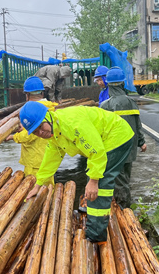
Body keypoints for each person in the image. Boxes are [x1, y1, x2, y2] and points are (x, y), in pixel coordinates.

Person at [21, 101, 134, 243]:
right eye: (35, 132)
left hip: (116, 136)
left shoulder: (72, 124)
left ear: (47, 116)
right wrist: (38, 184)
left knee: (100, 183)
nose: (41, 133)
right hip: (106, 139)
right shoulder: (55, 131)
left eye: (40, 127)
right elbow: (50, 160)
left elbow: (97, 152)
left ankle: (96, 235)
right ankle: (101, 217)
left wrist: (93, 180)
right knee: (97, 180)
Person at [100, 68, 147, 209]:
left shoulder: (105, 105)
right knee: (125, 177)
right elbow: (138, 125)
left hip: (115, 149)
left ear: (109, 84)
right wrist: (141, 142)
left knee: (119, 180)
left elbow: (101, 130)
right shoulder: (131, 102)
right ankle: (123, 204)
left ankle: (124, 208)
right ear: (122, 84)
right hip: (131, 147)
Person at [6, 76, 58, 185]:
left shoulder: (34, 110)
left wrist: (13, 137)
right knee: (48, 189)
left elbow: (30, 135)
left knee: (32, 191)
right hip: (48, 158)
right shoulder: (50, 108)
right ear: (42, 94)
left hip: (35, 161)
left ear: (27, 95)